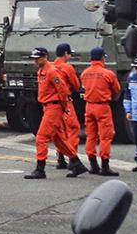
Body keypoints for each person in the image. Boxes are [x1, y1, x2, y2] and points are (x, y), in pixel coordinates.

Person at [24, 47, 89, 180]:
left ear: (45, 57)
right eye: (34, 59)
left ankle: (40, 168)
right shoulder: (41, 71)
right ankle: (76, 163)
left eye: (37, 58)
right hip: (48, 107)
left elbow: (63, 90)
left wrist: (64, 107)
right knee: (58, 140)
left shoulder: (52, 71)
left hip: (54, 107)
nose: (35, 61)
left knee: (41, 137)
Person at [80, 47, 122, 176]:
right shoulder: (108, 73)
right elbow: (117, 89)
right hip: (102, 107)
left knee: (91, 136)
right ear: (103, 58)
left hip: (89, 106)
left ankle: (93, 165)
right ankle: (105, 166)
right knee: (105, 136)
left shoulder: (84, 73)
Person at [53, 43, 81, 170]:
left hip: (53, 104)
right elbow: (76, 85)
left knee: (59, 131)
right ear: (66, 53)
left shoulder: (51, 66)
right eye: (69, 53)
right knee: (73, 129)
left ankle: (60, 157)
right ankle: (72, 157)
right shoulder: (67, 68)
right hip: (66, 101)